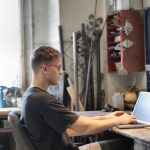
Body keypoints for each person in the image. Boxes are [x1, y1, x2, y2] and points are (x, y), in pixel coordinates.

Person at [21, 46, 136, 150]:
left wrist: (106, 117)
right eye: (58, 67)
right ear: (44, 68)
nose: (61, 72)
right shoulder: (43, 99)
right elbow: (85, 128)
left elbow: (78, 121)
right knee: (123, 145)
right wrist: (119, 120)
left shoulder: (31, 95)